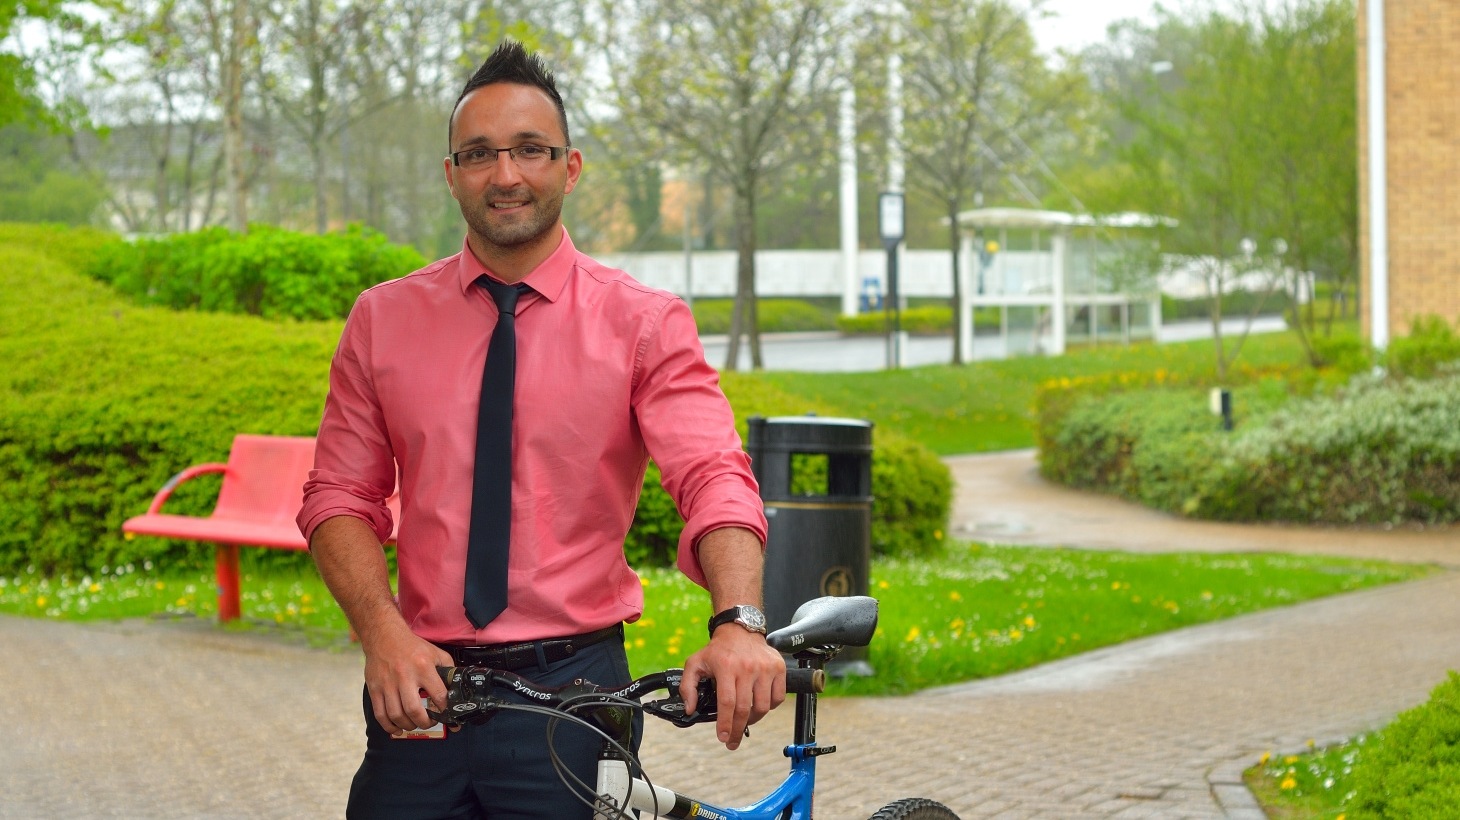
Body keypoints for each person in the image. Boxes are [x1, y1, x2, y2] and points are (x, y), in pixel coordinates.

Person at [297, 40, 786, 818]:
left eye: (530, 150)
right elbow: (337, 497)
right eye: (480, 153)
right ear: (451, 172)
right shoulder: (381, 320)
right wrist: (380, 636)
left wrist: (739, 624)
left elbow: (714, 477)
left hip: (578, 698)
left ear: (571, 166)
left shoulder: (645, 323)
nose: (507, 175)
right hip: (421, 691)